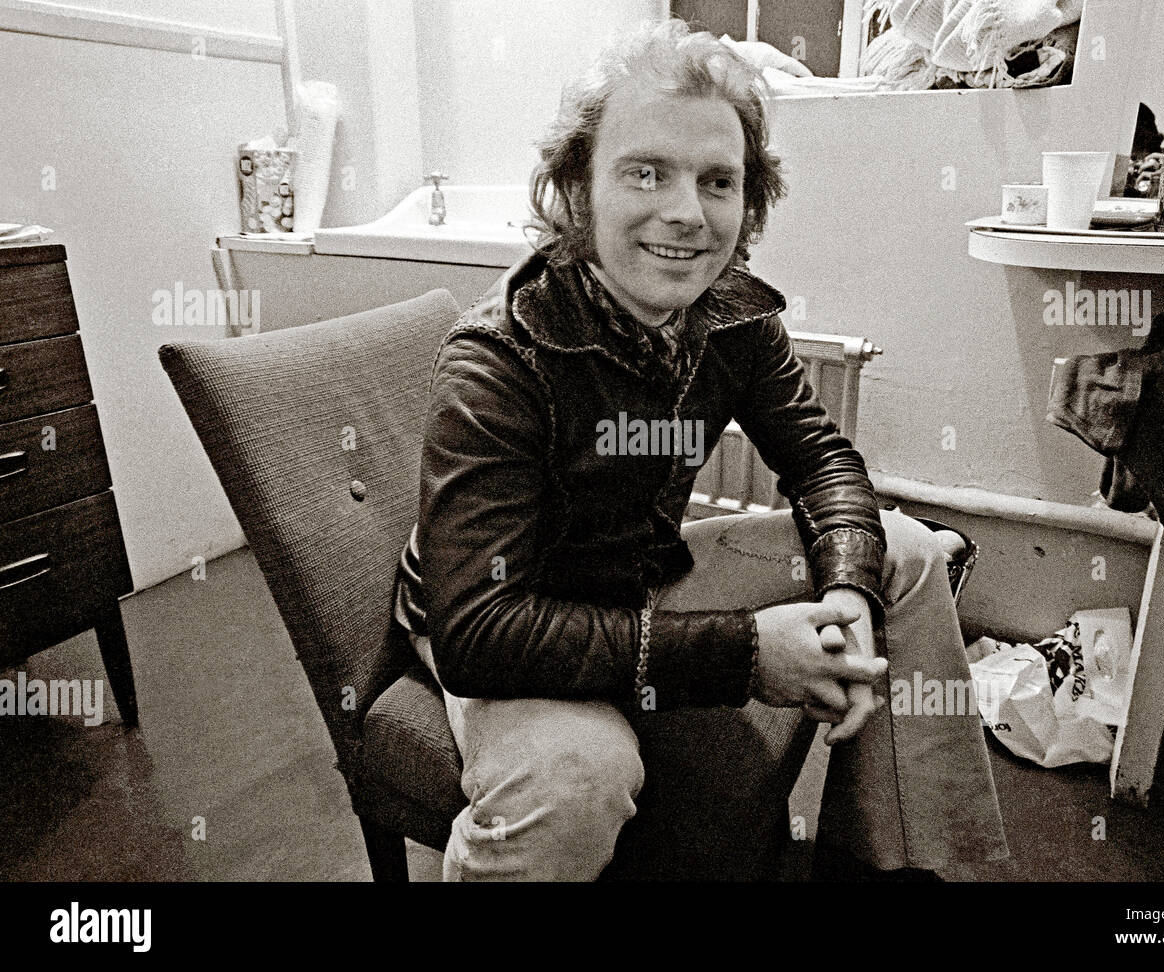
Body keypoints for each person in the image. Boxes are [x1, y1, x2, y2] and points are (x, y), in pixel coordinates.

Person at [392, 18, 1007, 881]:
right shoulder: (497, 358)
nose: (686, 213)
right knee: (579, 775)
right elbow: (479, 633)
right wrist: (749, 653)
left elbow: (821, 460)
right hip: (514, 612)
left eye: (717, 181)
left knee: (903, 553)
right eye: (645, 172)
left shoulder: (731, 316)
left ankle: (916, 867)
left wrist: (849, 589)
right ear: (577, 190)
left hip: (643, 574)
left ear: (748, 204)